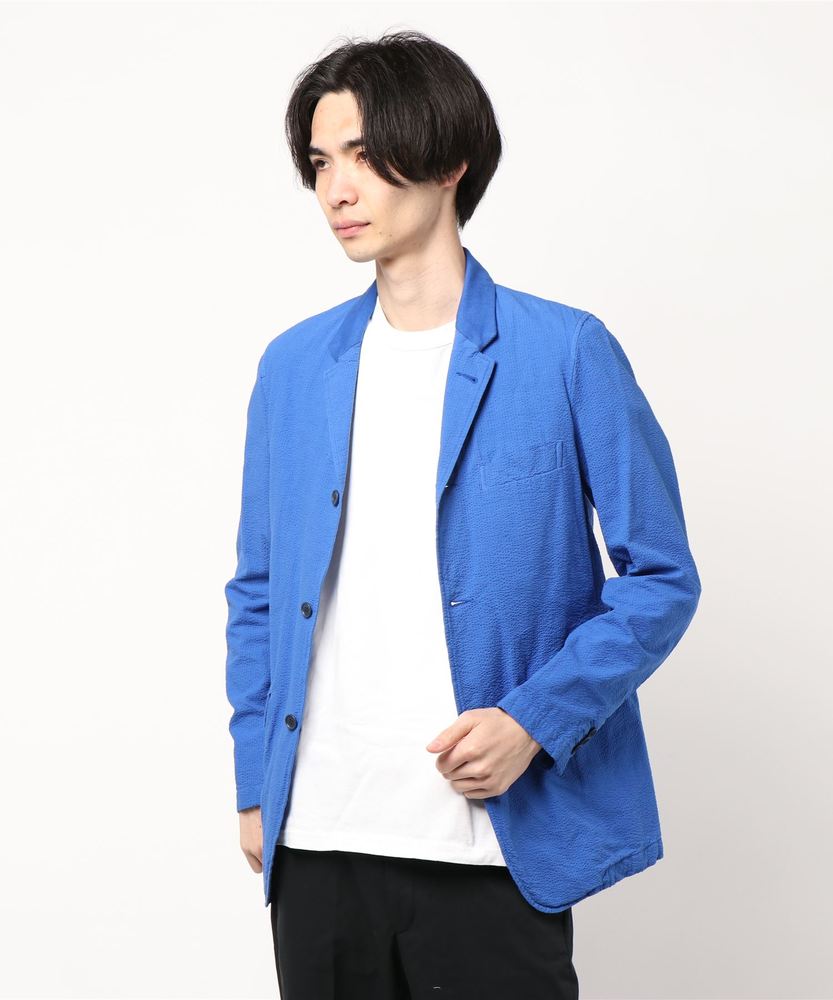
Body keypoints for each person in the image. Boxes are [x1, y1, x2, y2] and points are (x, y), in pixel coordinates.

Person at [224, 28, 701, 1000]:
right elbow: (259, 590)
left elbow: (660, 578)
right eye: (320, 162)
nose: (336, 189)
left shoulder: (563, 351)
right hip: (318, 842)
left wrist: (534, 720)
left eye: (363, 154)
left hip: (487, 847)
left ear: (448, 161)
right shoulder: (292, 367)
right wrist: (250, 778)